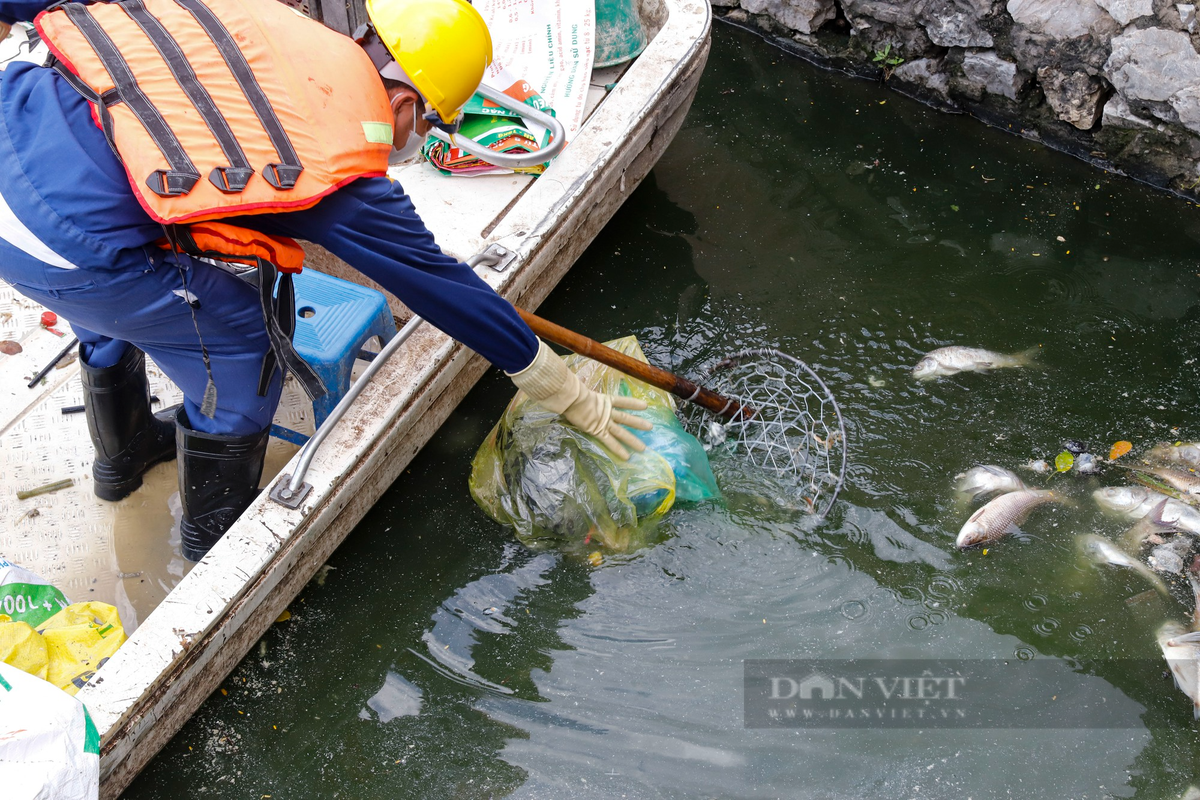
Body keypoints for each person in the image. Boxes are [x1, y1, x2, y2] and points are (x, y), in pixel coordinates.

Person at [0, 0, 650, 560]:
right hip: (65, 247)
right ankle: (209, 546)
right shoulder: (341, 165)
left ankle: (124, 458)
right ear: (404, 100)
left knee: (111, 296)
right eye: (429, 123)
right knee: (243, 340)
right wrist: (560, 387)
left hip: (15, 132)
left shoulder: (271, 26)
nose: (418, 139)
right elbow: (437, 282)